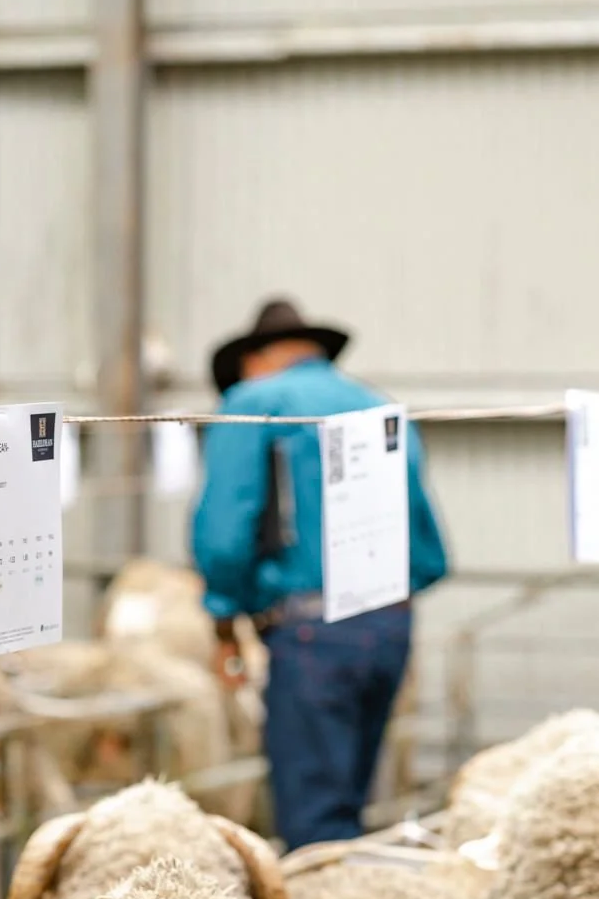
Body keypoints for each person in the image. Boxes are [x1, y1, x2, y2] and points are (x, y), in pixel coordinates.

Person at [191, 297, 450, 850]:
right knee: (350, 803)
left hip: (310, 631)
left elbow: (225, 530)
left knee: (313, 827)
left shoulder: (253, 401)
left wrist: (224, 616)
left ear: (254, 358)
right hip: (389, 625)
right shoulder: (378, 406)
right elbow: (428, 550)